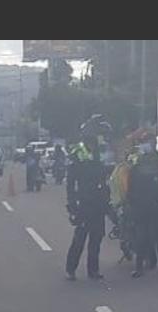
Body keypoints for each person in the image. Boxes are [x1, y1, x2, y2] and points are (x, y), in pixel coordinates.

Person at [65, 115, 113, 280]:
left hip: (99, 201)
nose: (102, 137)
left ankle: (93, 270)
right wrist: (72, 204)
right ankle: (71, 269)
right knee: (80, 238)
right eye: (99, 133)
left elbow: (107, 176)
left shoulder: (101, 152)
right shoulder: (78, 152)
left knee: (97, 238)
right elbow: (71, 182)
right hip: (84, 202)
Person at [127, 134, 158, 277]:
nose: (147, 145)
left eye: (149, 142)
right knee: (141, 237)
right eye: (145, 142)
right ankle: (139, 267)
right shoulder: (135, 160)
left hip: (156, 203)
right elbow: (130, 184)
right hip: (141, 204)